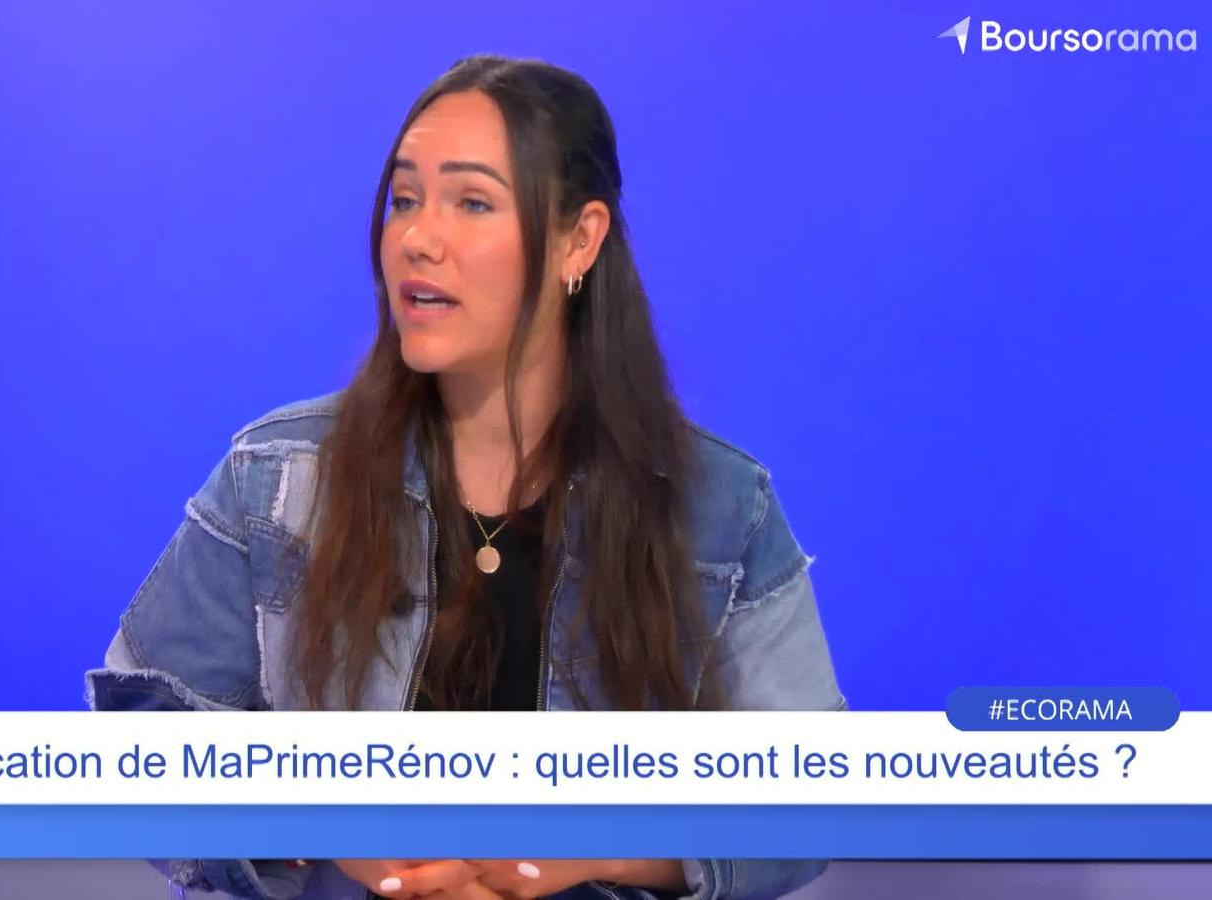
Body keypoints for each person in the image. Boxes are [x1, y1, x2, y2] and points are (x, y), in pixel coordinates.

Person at [87, 54, 844, 900]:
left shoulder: (719, 509)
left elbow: (808, 798)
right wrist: (322, 829)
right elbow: (142, 738)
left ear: (579, 239)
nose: (419, 238)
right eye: (404, 199)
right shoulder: (277, 475)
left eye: (472, 202)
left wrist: (598, 851)